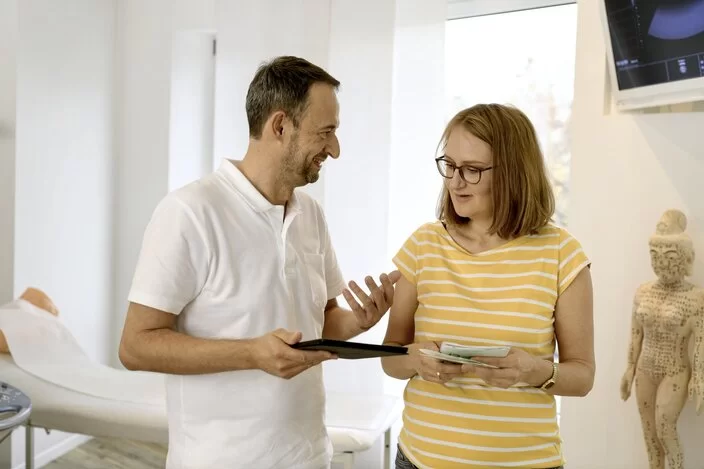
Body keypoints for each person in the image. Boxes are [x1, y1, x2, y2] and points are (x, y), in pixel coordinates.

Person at [118, 56, 400, 469]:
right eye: (326, 133)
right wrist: (252, 353)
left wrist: (357, 322)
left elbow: (319, 325)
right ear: (280, 126)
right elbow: (135, 346)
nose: (335, 150)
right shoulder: (190, 212)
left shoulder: (311, 215)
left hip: (308, 456)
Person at [381, 103, 595, 469]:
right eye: (449, 165)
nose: (455, 181)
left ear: (513, 172)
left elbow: (582, 375)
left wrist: (534, 371)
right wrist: (415, 359)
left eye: (473, 170)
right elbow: (391, 355)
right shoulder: (423, 245)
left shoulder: (562, 253)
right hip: (420, 460)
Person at [620, 209, 704, 469]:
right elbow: (636, 334)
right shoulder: (643, 292)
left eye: (670, 256)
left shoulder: (695, 298)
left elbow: (700, 342)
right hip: (646, 368)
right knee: (650, 436)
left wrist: (699, 377)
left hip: (675, 371)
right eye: (655, 255)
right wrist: (629, 368)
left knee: (664, 428)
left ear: (683, 258)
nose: (662, 263)